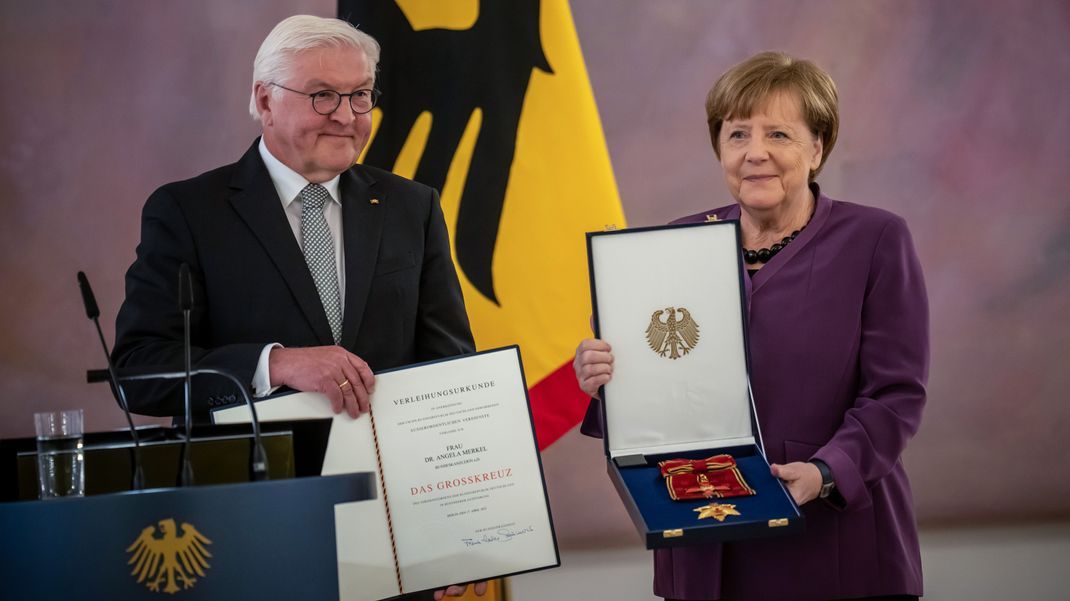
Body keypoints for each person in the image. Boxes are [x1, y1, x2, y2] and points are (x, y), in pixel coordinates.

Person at [113, 15, 483, 599]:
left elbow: (450, 374)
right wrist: (275, 364)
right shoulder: (188, 213)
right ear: (264, 99)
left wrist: (462, 526)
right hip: (249, 536)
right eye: (323, 95)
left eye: (360, 94)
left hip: (395, 535)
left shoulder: (412, 207)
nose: (347, 115)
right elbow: (139, 373)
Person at [574, 51, 928, 601]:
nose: (755, 153)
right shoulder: (670, 244)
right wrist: (605, 376)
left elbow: (896, 396)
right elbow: (654, 385)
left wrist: (826, 472)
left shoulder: (876, 240)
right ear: (719, 148)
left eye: (779, 135)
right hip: (702, 537)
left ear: (817, 147)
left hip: (833, 538)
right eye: (737, 135)